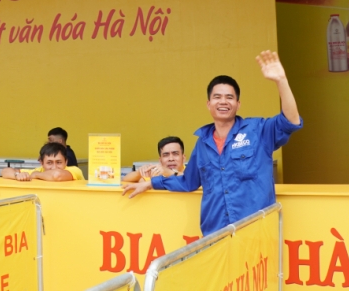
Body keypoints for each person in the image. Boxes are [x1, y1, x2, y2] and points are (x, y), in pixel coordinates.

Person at [122, 51, 303, 236]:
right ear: (209, 104)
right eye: (217, 97)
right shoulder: (203, 143)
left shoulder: (257, 130)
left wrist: (281, 80)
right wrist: (151, 183)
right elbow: (188, 182)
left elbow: (291, 121)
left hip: (256, 231)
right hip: (215, 232)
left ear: (238, 104)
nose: (223, 101)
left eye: (229, 97)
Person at [2, 142, 85, 182]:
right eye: (49, 163)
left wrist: (36, 175)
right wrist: (17, 175)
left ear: (66, 162)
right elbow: (5, 171)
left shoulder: (75, 170)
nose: (54, 167)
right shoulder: (39, 170)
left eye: (59, 162)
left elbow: (57, 175)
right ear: (41, 163)